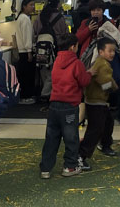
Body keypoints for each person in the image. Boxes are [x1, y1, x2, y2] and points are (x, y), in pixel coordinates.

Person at [39, 34, 94, 179]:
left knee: (51, 138)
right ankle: (70, 166)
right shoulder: (76, 63)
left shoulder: (57, 61)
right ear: (72, 47)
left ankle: (45, 168)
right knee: (71, 138)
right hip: (69, 106)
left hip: (54, 105)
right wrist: (89, 74)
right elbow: (84, 81)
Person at [78, 38, 119, 171]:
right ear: (101, 52)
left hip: (94, 100)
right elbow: (105, 84)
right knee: (95, 130)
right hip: (97, 101)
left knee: (107, 123)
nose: (112, 53)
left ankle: (105, 144)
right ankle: (80, 156)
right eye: (109, 51)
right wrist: (114, 87)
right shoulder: (103, 65)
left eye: (113, 51)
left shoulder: (99, 62)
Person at [33, 0, 70, 102]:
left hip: (41, 47)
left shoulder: (40, 16)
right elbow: (64, 33)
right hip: (55, 47)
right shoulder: (60, 17)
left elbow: (35, 30)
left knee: (43, 69)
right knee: (53, 70)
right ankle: (46, 93)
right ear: (58, 4)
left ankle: (44, 91)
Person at [12, 0, 36, 104]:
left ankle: (22, 96)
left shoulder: (20, 18)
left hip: (21, 51)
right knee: (27, 75)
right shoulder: (25, 19)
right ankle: (26, 97)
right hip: (25, 52)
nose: (33, 7)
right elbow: (27, 36)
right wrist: (29, 51)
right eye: (31, 5)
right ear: (24, 6)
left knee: (22, 75)